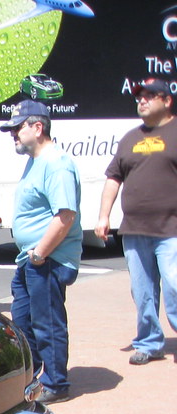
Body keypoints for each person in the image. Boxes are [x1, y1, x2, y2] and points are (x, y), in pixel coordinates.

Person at [0, 100, 82, 404]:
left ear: (38, 127)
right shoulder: (37, 160)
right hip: (31, 259)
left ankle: (56, 383)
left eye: (17, 127)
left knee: (47, 324)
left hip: (48, 259)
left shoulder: (56, 163)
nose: (13, 134)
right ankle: (30, 378)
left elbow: (65, 215)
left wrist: (40, 254)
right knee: (22, 322)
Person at [94, 78, 177, 365]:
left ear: (166, 100)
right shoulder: (130, 138)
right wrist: (104, 216)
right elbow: (113, 178)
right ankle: (150, 343)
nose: (141, 100)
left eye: (149, 96)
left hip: (172, 229)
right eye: (138, 96)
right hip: (134, 230)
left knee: (175, 285)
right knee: (142, 292)